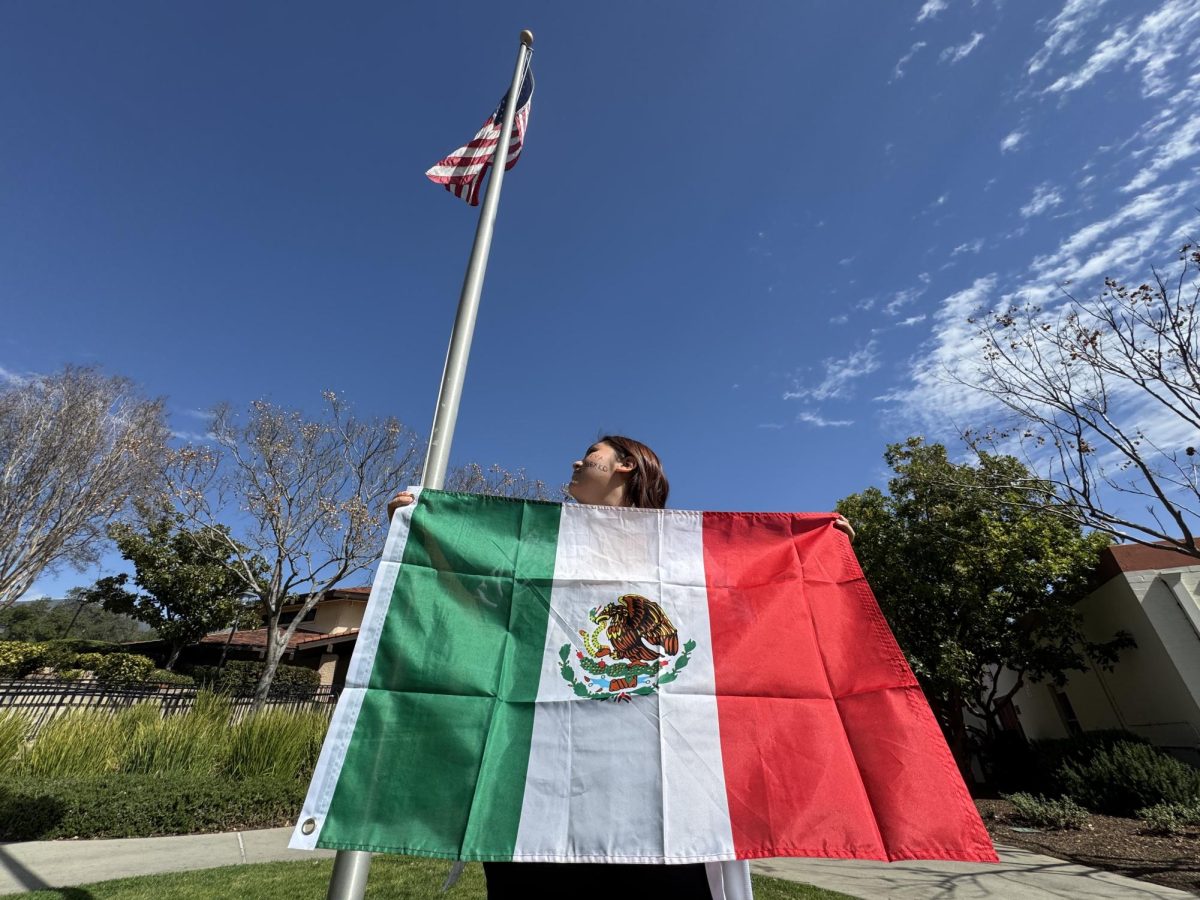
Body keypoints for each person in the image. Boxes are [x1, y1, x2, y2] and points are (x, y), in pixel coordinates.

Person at [387, 435, 854, 898]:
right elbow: (476, 598)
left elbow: (752, 605)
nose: (575, 459)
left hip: (658, 790)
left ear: (627, 465)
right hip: (544, 782)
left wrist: (809, 550)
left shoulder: (679, 555)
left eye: (591, 454)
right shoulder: (538, 545)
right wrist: (425, 534)